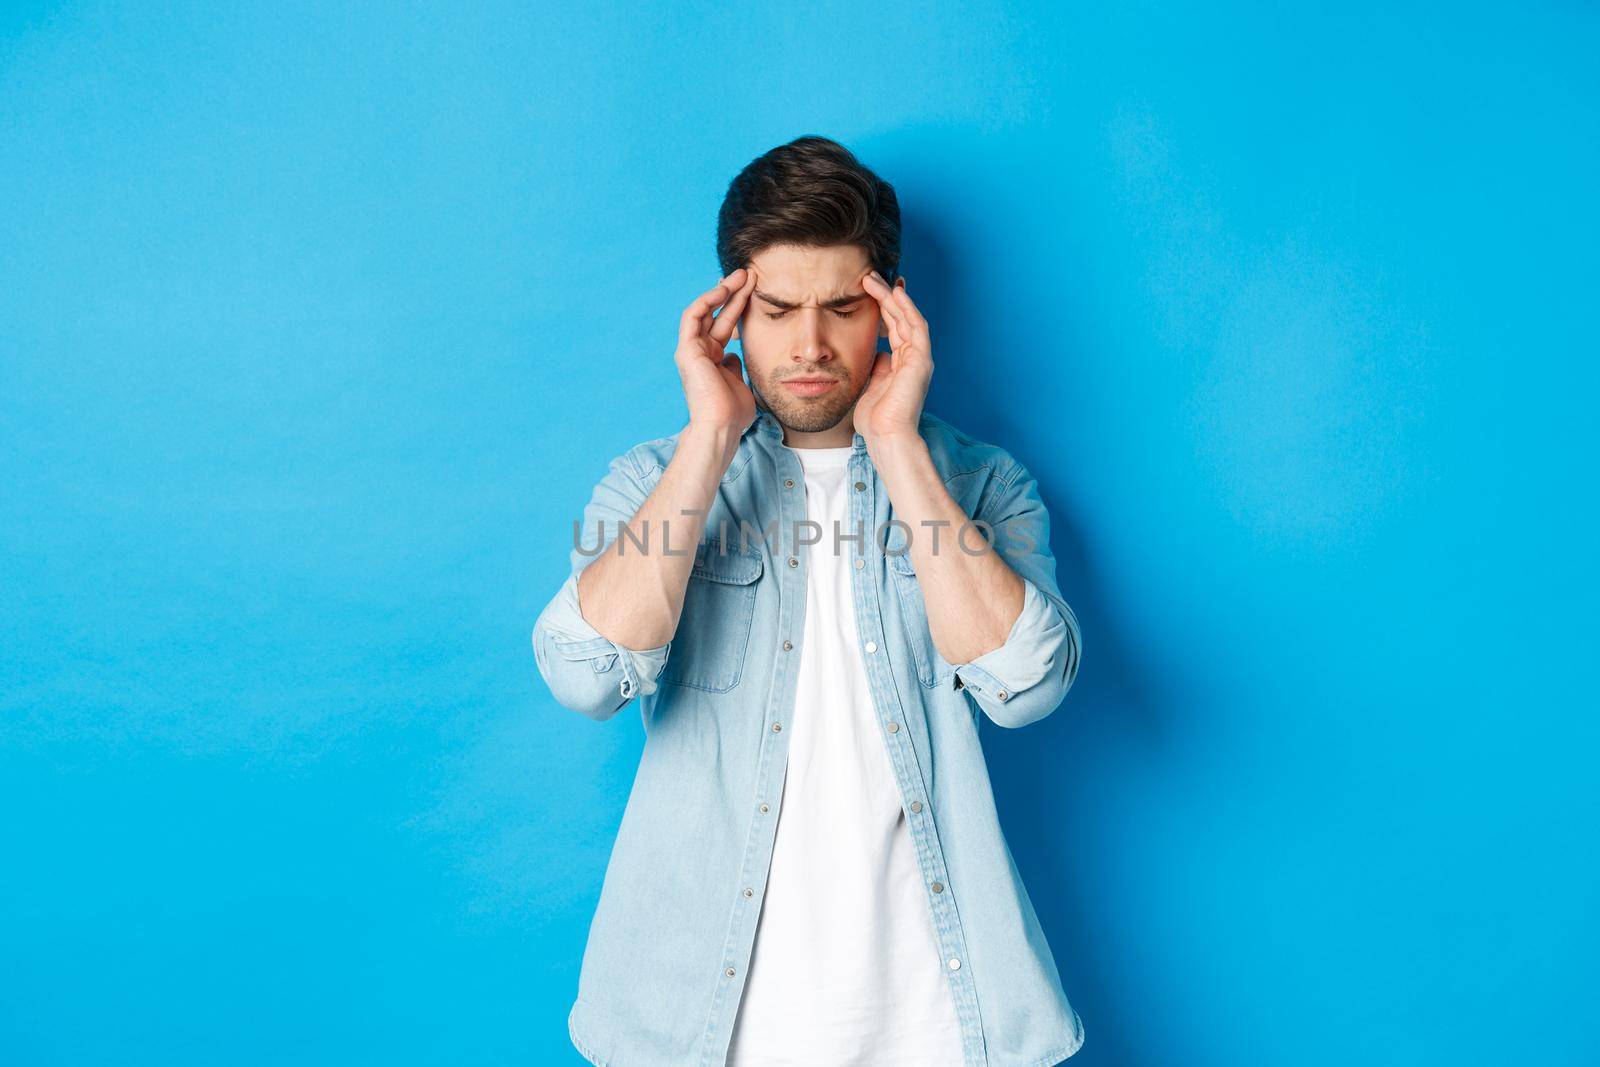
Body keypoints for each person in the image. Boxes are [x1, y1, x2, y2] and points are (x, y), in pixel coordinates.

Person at [532, 135, 1085, 1067]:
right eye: (779, 310)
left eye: (841, 308)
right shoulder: (652, 482)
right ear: (733, 312)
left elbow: (1026, 687)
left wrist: (901, 447)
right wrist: (711, 435)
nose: (811, 344)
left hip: (938, 1022)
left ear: (892, 309)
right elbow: (584, 676)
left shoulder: (983, 485)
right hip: (700, 1023)